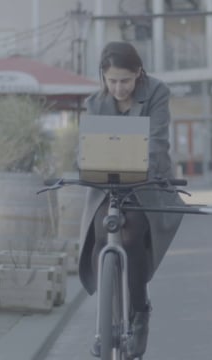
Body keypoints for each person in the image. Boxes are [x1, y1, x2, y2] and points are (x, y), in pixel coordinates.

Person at [78, 41, 184, 358]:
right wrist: (81, 164)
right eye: (112, 81)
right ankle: (106, 322)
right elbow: (83, 147)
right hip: (107, 183)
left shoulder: (156, 93)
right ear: (103, 77)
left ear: (138, 73)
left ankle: (140, 313)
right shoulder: (95, 102)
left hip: (147, 180)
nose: (119, 87)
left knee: (132, 232)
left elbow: (157, 141)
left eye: (125, 80)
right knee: (100, 232)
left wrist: (139, 167)